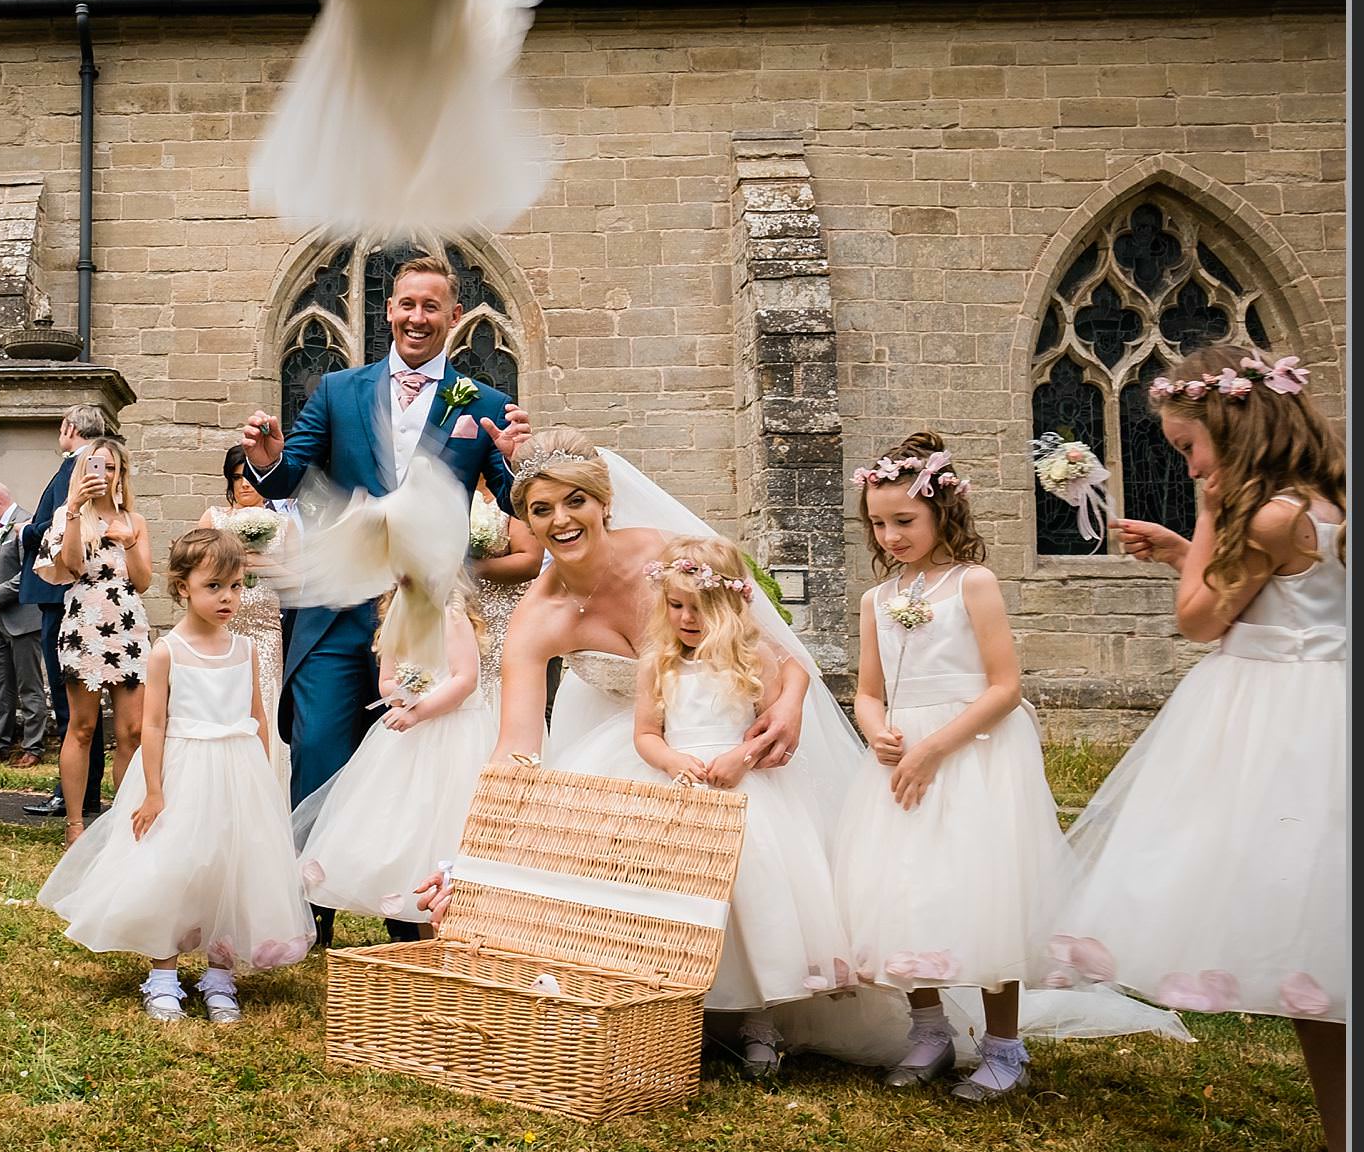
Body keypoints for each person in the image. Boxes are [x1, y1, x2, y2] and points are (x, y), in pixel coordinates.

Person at [418, 430, 1190, 1069]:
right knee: (606, 833)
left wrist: (786, 710)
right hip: (645, 742)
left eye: (574, 501)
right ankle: (672, 1005)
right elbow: (515, 749)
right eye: (542, 509)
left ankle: (767, 1010)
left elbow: (777, 656)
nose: (561, 521)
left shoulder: (679, 557)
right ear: (524, 521)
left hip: (732, 728)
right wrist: (475, 856)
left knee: (758, 851)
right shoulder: (539, 617)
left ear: (604, 501)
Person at [1050, 344, 1348, 1152]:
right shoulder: (1321, 504)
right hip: (1319, 705)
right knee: (1322, 958)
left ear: (1232, 432)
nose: (1188, 466)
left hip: (1276, 729)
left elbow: (1198, 621)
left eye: (1190, 449)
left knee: (1313, 962)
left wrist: (1206, 518)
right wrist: (1191, 548)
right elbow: (1273, 601)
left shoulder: (1259, 515)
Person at [238, 251, 528, 946]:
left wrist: (519, 460)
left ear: (455, 318)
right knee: (319, 749)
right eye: (406, 305)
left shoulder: (482, 404)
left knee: (414, 762)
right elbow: (283, 484)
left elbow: (522, 502)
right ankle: (311, 918)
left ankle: (407, 921)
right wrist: (269, 456)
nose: (417, 317)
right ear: (388, 311)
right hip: (337, 607)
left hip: (425, 614)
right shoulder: (338, 390)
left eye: (432, 306)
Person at [835, 434, 1065, 1103]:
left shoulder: (974, 583)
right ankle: (929, 1029)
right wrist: (878, 731)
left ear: (944, 513)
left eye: (904, 520)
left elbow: (1004, 686)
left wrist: (936, 748)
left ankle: (1003, 1046)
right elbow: (870, 691)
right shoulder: (877, 599)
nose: (891, 534)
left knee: (984, 889)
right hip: (903, 755)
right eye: (879, 523)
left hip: (972, 750)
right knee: (904, 886)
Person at [604, 536, 858, 1080]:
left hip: (745, 794)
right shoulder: (657, 664)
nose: (687, 618)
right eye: (676, 605)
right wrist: (671, 760)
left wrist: (741, 756)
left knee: (752, 906)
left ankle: (758, 1021)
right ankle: (680, 1016)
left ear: (730, 605)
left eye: (700, 606)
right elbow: (646, 734)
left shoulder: (752, 657)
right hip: (680, 794)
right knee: (677, 906)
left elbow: (771, 730)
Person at [36, 527, 314, 1022]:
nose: (228, 597)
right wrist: (155, 791)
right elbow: (154, 723)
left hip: (237, 770)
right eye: (214, 586)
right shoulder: (168, 651)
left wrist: (265, 780)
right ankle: (163, 972)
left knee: (229, 866)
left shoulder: (246, 649)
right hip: (184, 770)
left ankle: (220, 971)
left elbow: (257, 717)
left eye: (235, 585)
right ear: (183, 587)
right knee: (174, 863)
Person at [292, 587, 492, 942]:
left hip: (453, 735)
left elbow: (465, 679)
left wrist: (420, 711)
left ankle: (460, 926)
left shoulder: (451, 615)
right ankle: (413, 918)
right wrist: (400, 694)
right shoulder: (396, 620)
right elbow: (387, 678)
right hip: (409, 739)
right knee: (404, 822)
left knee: (445, 821)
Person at [35, 435, 154, 845]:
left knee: (133, 730)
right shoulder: (68, 516)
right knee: (83, 727)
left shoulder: (134, 521)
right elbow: (70, 566)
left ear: (121, 474)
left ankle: (124, 822)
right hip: (84, 623)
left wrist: (130, 542)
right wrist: (72, 510)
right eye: (94, 466)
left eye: (110, 467)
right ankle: (74, 823)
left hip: (128, 626)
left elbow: (142, 582)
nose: (102, 474)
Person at [20, 404, 111, 819]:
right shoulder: (94, 467)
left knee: (69, 700)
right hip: (78, 596)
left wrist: (24, 530)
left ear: (69, 428)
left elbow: (59, 527)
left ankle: (72, 792)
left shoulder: (74, 470)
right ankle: (86, 791)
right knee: (81, 704)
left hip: (63, 596)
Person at [200, 444, 304, 787]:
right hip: (221, 628)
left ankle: (261, 785)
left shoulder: (284, 524)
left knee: (263, 705)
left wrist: (264, 564)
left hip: (264, 630)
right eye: (237, 478)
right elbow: (193, 574)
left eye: (250, 477)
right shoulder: (213, 518)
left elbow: (297, 585)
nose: (245, 484)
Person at [0, 480, 49, 767]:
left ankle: (33, 747)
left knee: (29, 686)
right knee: (0, 685)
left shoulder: (26, 524)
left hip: (21, 619)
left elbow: (30, 572)